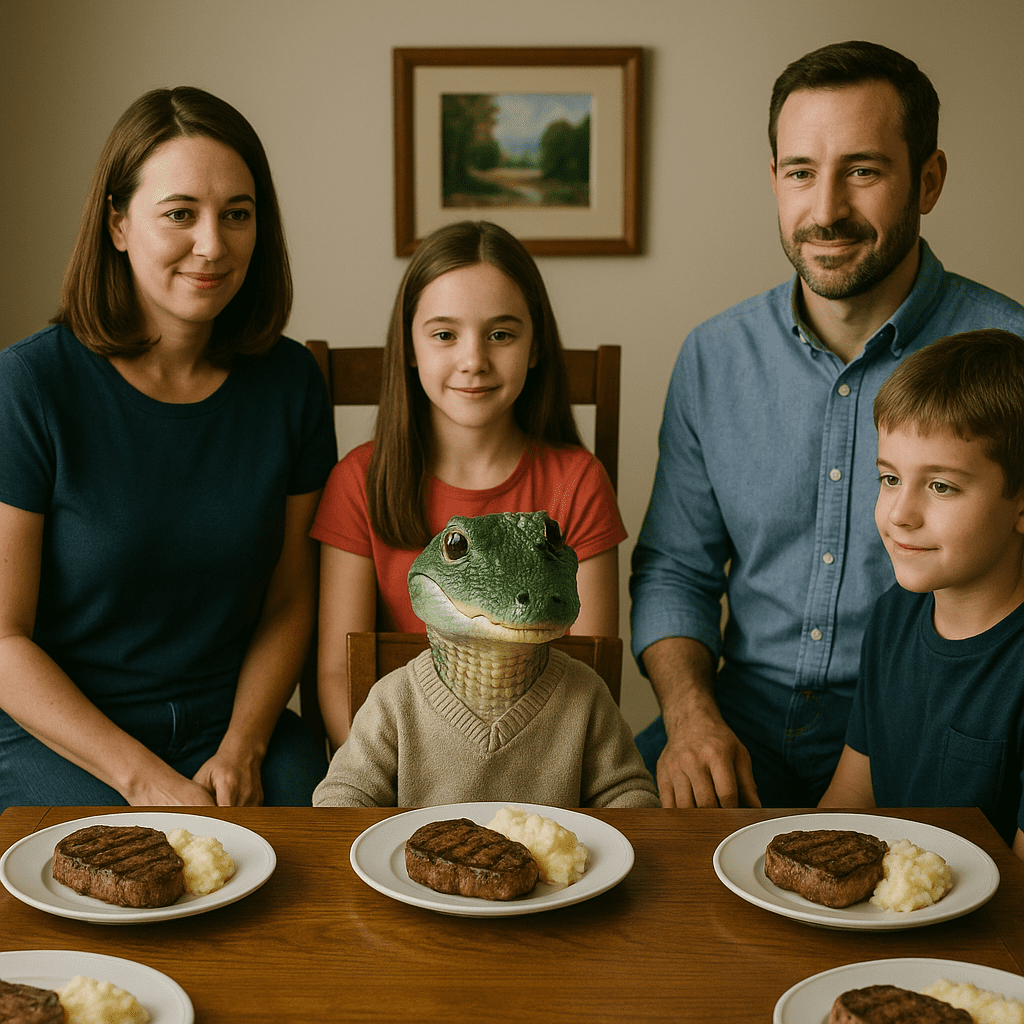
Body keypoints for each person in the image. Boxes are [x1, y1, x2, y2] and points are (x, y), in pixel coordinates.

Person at [629, 40, 1024, 809]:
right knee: (609, 867)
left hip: (928, 714)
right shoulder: (714, 356)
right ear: (774, 179)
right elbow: (675, 569)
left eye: (864, 171)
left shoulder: (1011, 355)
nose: (826, 210)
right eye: (801, 172)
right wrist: (690, 715)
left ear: (928, 180)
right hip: (735, 717)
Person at [0, 87, 337, 809]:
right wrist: (146, 782)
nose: (212, 245)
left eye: (237, 215)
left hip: (233, 727)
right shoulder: (29, 383)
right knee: (128, 874)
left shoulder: (290, 382)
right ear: (118, 223)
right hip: (65, 734)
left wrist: (243, 747)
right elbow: (3, 640)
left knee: (317, 859)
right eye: (180, 213)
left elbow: (289, 597)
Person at [311, 220, 626, 750]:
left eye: (501, 334)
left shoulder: (579, 482)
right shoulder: (356, 483)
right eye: (444, 335)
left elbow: (590, 675)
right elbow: (336, 677)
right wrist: (381, 780)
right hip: (395, 767)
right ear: (410, 347)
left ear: (534, 347)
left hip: (540, 765)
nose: (473, 360)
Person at [820, 330, 1024, 860]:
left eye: (941, 486)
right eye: (890, 478)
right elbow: (850, 801)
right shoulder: (892, 616)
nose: (899, 514)